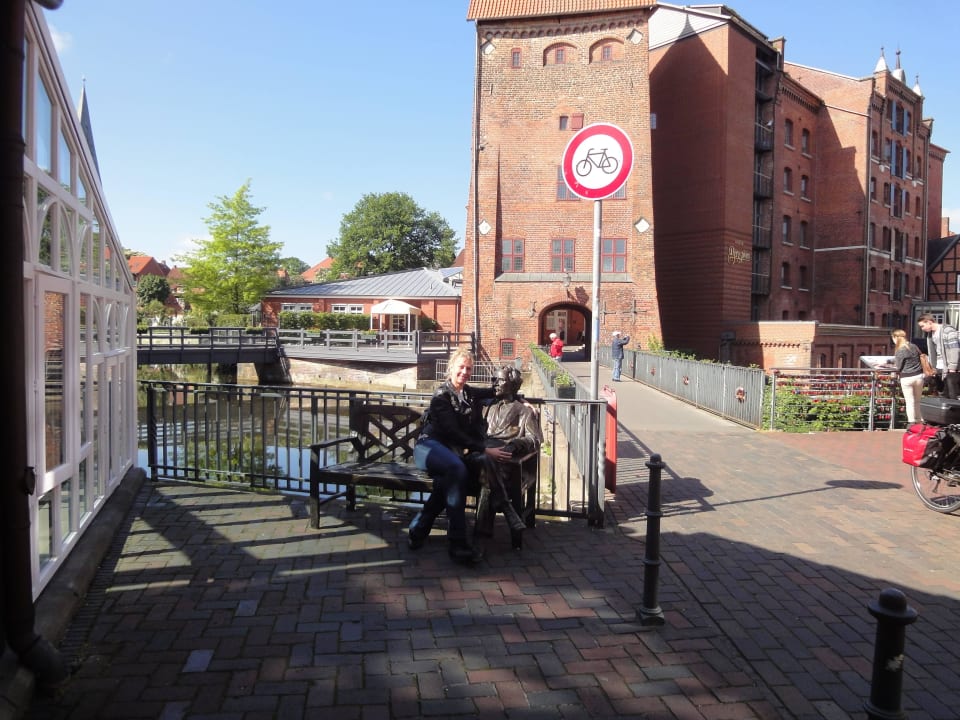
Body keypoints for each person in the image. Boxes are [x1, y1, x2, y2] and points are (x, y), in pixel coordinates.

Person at [409, 348, 512, 565]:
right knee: (457, 470)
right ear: (451, 369)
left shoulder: (469, 393)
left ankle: (418, 528)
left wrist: (521, 399)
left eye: (468, 369)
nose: (464, 372)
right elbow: (452, 432)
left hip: (451, 455)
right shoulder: (441, 397)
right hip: (429, 448)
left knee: (450, 479)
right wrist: (484, 449)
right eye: (461, 367)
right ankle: (457, 542)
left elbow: (496, 392)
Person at [475, 366, 543, 541]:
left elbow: (535, 439)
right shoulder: (485, 406)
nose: (494, 384)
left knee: (486, 481)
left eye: (500, 380)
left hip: (504, 464)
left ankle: (481, 537)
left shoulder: (523, 411)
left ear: (512, 385)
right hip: (481, 458)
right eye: (493, 380)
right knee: (485, 465)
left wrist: (515, 444)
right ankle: (507, 509)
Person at [918, 313, 960, 400]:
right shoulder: (930, 335)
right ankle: (947, 412)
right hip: (939, 367)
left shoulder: (948, 330)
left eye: (922, 326)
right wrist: (933, 367)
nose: (922, 329)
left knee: (953, 394)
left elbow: (955, 349)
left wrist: (952, 367)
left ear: (929, 322)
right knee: (942, 393)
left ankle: (954, 412)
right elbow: (933, 352)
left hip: (950, 367)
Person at [889, 329, 925, 423]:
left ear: (895, 338)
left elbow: (898, 366)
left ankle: (912, 422)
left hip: (906, 378)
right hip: (918, 376)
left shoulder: (900, 350)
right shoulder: (914, 346)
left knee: (910, 401)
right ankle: (920, 420)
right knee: (917, 401)